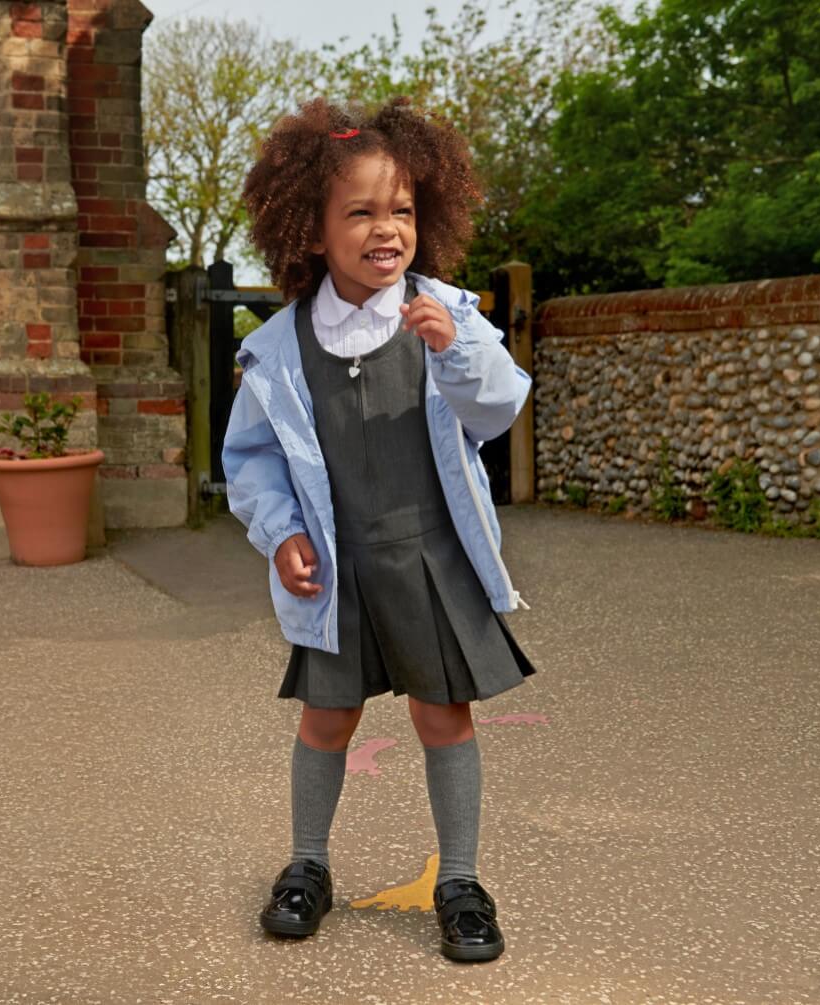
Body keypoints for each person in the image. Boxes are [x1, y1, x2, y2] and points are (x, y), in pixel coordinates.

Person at [223, 97, 538, 963]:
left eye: (400, 209)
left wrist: (457, 351)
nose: (384, 228)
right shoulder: (279, 345)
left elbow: (501, 406)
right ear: (311, 231)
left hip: (432, 557)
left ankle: (462, 880)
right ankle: (308, 864)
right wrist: (281, 530)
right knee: (327, 719)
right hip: (336, 567)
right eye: (359, 211)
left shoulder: (447, 311)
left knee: (446, 715)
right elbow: (249, 458)